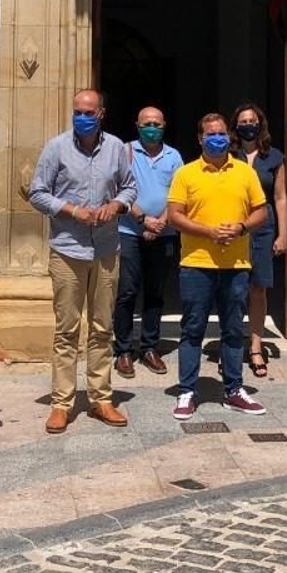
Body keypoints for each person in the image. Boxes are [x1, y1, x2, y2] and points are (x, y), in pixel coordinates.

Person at [27, 88, 139, 433]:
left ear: (101, 114)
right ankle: (61, 403)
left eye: (89, 112)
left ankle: (101, 398)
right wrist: (71, 210)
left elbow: (130, 187)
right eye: (78, 111)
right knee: (67, 330)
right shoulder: (56, 147)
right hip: (68, 250)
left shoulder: (117, 148)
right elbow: (37, 192)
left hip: (105, 249)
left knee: (102, 328)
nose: (82, 117)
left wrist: (116, 205)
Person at [166, 113, 271, 420]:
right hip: (196, 264)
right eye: (210, 134)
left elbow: (261, 212)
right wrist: (208, 232)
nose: (217, 138)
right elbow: (174, 215)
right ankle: (187, 390)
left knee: (233, 329)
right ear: (200, 138)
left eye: (222, 133)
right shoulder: (186, 173)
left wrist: (240, 228)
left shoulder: (244, 172)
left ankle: (234, 390)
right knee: (193, 329)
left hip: (236, 264)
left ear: (229, 136)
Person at [114, 106, 183, 379]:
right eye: (146, 124)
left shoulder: (173, 156)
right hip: (129, 231)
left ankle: (150, 347)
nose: (151, 128)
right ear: (137, 125)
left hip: (163, 233)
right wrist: (143, 220)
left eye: (156, 123)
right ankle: (123, 349)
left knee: (155, 293)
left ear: (164, 125)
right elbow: (117, 188)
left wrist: (161, 222)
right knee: (127, 291)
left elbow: (179, 193)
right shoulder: (125, 151)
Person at [233, 103, 287, 378]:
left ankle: (256, 347)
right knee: (233, 289)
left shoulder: (274, 156)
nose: (248, 125)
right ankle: (231, 346)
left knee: (258, 288)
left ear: (260, 124)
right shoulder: (228, 155)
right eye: (243, 121)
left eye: (252, 121)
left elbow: (280, 197)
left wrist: (283, 234)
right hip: (234, 225)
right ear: (236, 126)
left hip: (264, 228)